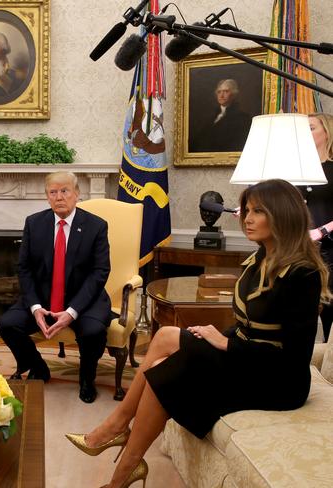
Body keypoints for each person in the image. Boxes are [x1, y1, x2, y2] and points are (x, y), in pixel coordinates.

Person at [66, 179, 328, 488]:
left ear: (283, 214)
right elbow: (246, 326)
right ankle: (120, 439)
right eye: (246, 210)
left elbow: (295, 358)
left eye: (258, 211)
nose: (247, 218)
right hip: (248, 360)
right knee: (165, 342)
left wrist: (225, 345)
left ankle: (119, 455)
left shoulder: (302, 274)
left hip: (278, 381)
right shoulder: (259, 259)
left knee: (166, 373)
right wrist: (219, 337)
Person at [0, 171, 111, 404]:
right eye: (53, 192)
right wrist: (36, 307)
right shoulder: (34, 223)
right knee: (7, 325)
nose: (59, 197)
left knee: (94, 332)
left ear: (77, 194)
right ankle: (38, 366)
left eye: (65, 191)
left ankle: (87, 379)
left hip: (84, 301)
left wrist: (72, 312)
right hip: (43, 298)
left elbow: (99, 272)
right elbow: (24, 268)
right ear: (47, 197)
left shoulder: (96, 226)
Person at [303, 113, 333, 342]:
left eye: (311, 127)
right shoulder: (298, 170)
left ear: (327, 132)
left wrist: (322, 231)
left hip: (331, 253)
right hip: (302, 253)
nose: (305, 132)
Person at [191, 79, 252, 153]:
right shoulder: (211, 117)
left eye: (226, 91)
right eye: (219, 92)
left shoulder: (243, 118)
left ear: (233, 94)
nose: (221, 95)